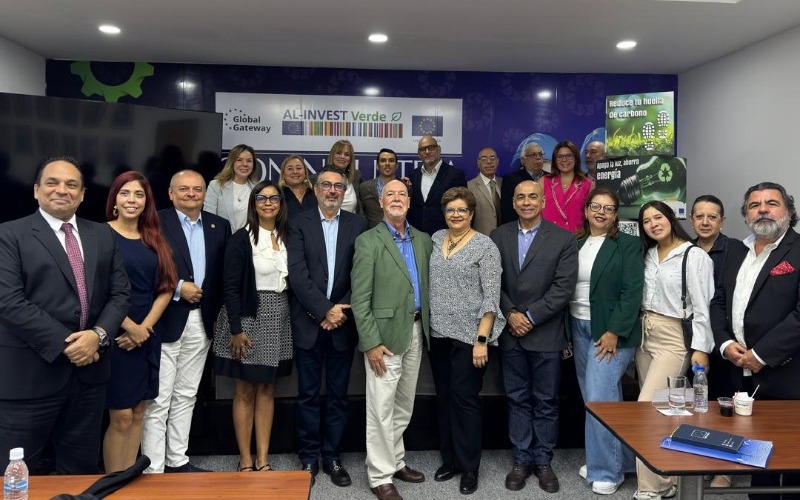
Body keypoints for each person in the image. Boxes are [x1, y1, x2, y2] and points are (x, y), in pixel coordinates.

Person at [0, 157, 130, 474]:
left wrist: (98, 336)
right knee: (16, 476)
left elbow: (120, 294)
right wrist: (71, 344)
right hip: (30, 378)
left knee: (79, 472)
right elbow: (9, 301)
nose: (62, 190)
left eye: (72, 185)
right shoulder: (9, 234)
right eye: (52, 183)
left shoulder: (102, 235)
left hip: (88, 380)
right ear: (36, 190)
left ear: (82, 194)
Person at [710, 182, 800, 498]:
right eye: (754, 205)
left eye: (771, 203)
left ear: (789, 211)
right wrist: (725, 344)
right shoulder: (737, 251)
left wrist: (760, 355)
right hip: (739, 371)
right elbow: (718, 301)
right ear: (746, 214)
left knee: (791, 462)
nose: (762, 209)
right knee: (757, 460)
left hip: (787, 375)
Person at [490, 180, 578, 494]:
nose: (526, 202)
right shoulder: (498, 236)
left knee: (546, 402)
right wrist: (511, 313)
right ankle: (521, 460)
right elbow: (492, 282)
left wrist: (529, 317)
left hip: (546, 333)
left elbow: (563, 288)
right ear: (513, 202)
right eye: (521, 197)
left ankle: (543, 461)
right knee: (517, 399)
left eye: (532, 197)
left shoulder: (564, 239)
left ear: (543, 202)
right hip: (510, 333)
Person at [141, 170, 231, 473]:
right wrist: (179, 287)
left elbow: (222, 276)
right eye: (184, 189)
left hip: (203, 321)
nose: (191, 194)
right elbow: (145, 267)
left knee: (187, 394)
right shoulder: (155, 222)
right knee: (159, 398)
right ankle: (153, 468)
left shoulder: (220, 226)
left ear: (205, 193)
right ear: (170, 193)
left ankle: (177, 461)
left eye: (197, 189)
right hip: (166, 317)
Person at [351, 179, 433, 500]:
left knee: (403, 405)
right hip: (382, 337)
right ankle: (380, 475)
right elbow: (360, 299)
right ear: (381, 202)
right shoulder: (368, 241)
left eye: (402, 194)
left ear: (409, 203)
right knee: (381, 408)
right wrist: (370, 342)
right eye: (390, 195)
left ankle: (396, 461)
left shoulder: (423, 240)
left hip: (415, 330)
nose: (396, 199)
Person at [287, 166, 368, 487]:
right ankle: (308, 457)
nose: (332, 190)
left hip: (343, 324)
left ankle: (332, 456)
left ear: (345, 191)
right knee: (307, 395)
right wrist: (324, 310)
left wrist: (340, 310)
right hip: (309, 322)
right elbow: (297, 274)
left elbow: (362, 274)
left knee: (338, 396)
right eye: (326, 185)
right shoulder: (298, 222)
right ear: (315, 189)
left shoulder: (358, 224)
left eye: (338, 186)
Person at [635, 200, 714, 500]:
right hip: (645, 334)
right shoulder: (648, 254)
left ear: (671, 219)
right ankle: (670, 481)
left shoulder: (693, 256)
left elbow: (703, 307)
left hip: (674, 337)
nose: (653, 224)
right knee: (667, 411)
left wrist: (701, 348)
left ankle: (650, 488)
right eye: (646, 221)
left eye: (658, 217)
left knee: (646, 408)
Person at [212, 180, 293, 473]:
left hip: (279, 316)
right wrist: (236, 329)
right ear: (253, 203)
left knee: (268, 389)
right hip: (247, 317)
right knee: (245, 390)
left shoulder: (289, 236)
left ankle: (263, 458)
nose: (268, 203)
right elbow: (230, 287)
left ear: (281, 204)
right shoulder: (241, 239)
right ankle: (245, 459)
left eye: (274, 198)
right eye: (262, 198)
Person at [428, 187, 505, 495]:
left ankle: (470, 466)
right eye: (451, 210)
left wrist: (482, 339)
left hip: (470, 338)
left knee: (465, 401)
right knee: (444, 398)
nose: (456, 215)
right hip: (438, 334)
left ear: (471, 214)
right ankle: (450, 460)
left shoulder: (485, 246)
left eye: (462, 210)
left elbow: (491, 297)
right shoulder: (436, 239)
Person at [102, 171, 178, 473]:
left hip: (146, 336)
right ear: (115, 200)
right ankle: (112, 482)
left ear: (147, 201)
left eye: (139, 194)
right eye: (125, 193)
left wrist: (144, 328)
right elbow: (96, 292)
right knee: (120, 417)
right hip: (116, 336)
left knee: (137, 413)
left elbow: (167, 287)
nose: (132, 200)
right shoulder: (100, 235)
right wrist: (130, 327)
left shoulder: (154, 238)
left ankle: (127, 480)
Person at [569, 187, 643, 495]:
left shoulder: (627, 244)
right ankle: (620, 460)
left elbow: (632, 291)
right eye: (596, 207)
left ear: (615, 216)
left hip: (609, 331)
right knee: (596, 399)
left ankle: (606, 471)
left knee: (600, 400)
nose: (601, 212)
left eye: (608, 208)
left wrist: (614, 331)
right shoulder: (576, 243)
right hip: (578, 326)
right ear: (586, 210)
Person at [409, 135, 467, 235]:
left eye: (431, 148)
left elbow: (464, 206)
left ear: (439, 150)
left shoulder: (455, 174)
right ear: (419, 154)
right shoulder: (413, 175)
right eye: (423, 149)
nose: (427, 152)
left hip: (446, 234)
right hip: (417, 235)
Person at [542, 140, 594, 233]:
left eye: (569, 156)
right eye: (560, 156)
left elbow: (592, 216)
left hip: (576, 238)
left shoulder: (589, 184)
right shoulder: (543, 181)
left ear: (576, 158)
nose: (564, 160)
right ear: (554, 160)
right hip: (547, 237)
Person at [204, 144, 259, 231]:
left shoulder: (258, 188)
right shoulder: (216, 186)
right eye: (239, 160)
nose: (244, 164)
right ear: (232, 162)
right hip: (223, 237)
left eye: (249, 161)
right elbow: (208, 218)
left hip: (249, 238)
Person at [501, 142, 547, 224]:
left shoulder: (551, 178)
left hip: (548, 226)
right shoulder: (511, 179)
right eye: (533, 155)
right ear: (523, 160)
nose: (538, 158)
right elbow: (507, 211)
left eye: (540, 154)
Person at [467, 147, 503, 235]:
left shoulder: (504, 183)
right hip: (481, 237)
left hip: (504, 237)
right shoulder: (469, 187)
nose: (489, 162)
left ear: (497, 162)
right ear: (478, 163)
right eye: (484, 159)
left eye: (492, 158)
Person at [360, 148, 399, 227]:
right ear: (377, 166)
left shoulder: (406, 188)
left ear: (396, 166)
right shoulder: (365, 188)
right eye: (383, 160)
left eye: (391, 160)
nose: (387, 164)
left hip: (398, 233)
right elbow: (360, 214)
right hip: (372, 233)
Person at [327, 139, 362, 213]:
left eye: (346, 154)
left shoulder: (356, 177)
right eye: (338, 153)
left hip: (352, 220)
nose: (342, 157)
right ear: (332, 155)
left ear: (350, 159)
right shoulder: (318, 179)